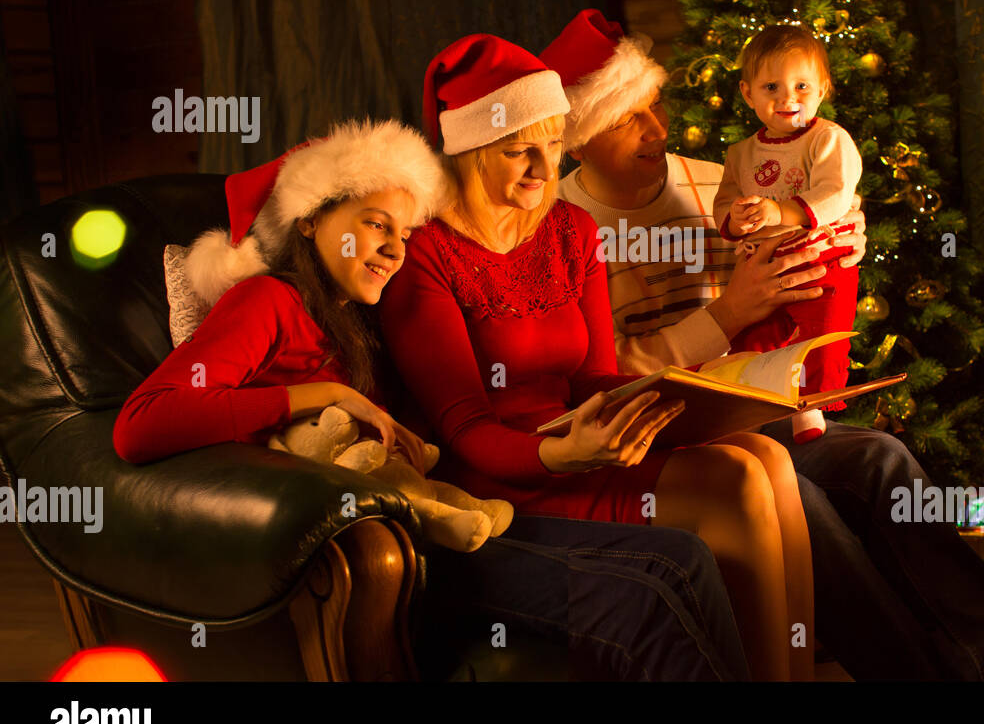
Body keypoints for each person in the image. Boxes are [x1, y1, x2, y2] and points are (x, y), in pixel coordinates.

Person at [112, 117, 750, 681]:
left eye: (405, 232)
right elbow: (140, 426)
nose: (395, 249)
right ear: (309, 221)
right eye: (374, 225)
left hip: (443, 515)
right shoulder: (268, 302)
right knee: (642, 591)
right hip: (391, 553)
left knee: (684, 558)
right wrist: (314, 395)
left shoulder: (365, 315)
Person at [545, 9, 984, 680]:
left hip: (763, 407)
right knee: (802, 506)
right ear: (578, 139)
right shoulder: (569, 231)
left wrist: (839, 241)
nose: (658, 129)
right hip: (676, 440)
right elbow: (605, 373)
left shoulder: (714, 182)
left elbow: (806, 224)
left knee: (883, 458)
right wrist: (725, 314)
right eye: (631, 116)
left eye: (656, 106)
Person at [379, 34, 815, 680]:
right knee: (737, 481)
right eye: (517, 150)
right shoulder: (426, 256)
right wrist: (558, 454)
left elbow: (592, 376)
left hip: (591, 436)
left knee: (768, 454)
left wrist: (696, 398)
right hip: (510, 472)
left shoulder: (569, 229)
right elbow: (465, 429)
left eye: (553, 146)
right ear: (470, 151)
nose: (541, 168)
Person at [713, 24, 862, 443]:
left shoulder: (828, 139)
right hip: (762, 263)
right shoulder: (740, 153)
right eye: (771, 87)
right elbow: (725, 198)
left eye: (801, 85)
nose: (787, 98)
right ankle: (752, 406)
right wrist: (735, 219)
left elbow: (836, 193)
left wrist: (781, 210)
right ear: (748, 93)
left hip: (822, 258)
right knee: (754, 338)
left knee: (823, 335)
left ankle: (810, 408)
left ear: (822, 89)